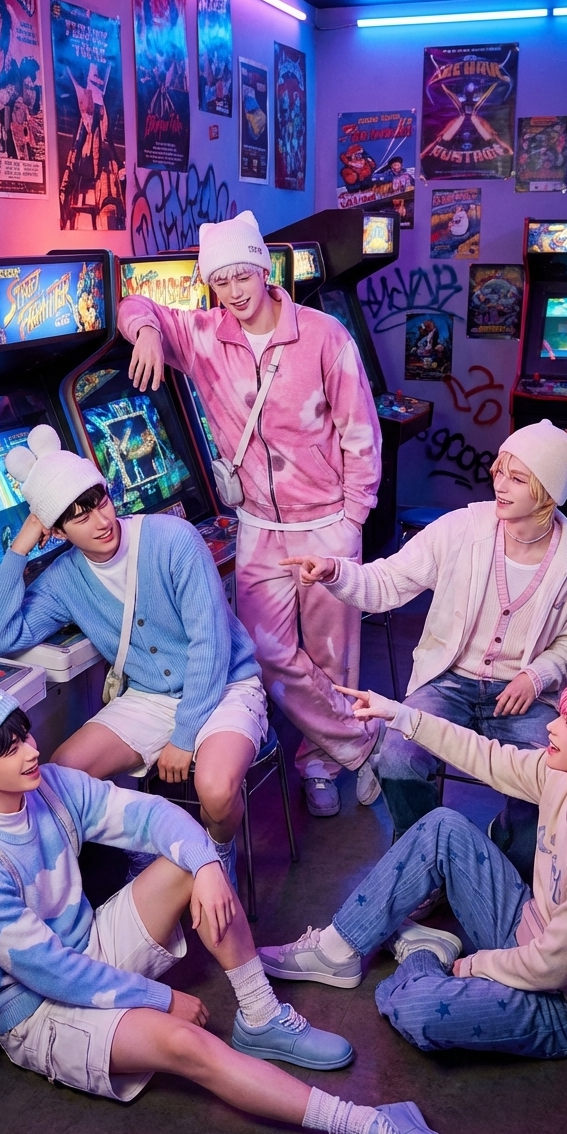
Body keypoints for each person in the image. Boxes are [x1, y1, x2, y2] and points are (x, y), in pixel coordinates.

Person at [0, 682, 446, 1134]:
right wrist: (161, 999)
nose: (31, 751)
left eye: (25, 735)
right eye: (10, 750)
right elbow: (54, 975)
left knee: (189, 863)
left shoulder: (49, 786)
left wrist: (208, 865)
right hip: (37, 1009)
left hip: (86, 947)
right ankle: (368, 1125)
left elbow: (153, 816)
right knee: (188, 1046)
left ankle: (260, 1015)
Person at [118, 210, 384, 819]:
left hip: (327, 523)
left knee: (331, 657)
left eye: (243, 275)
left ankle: (319, 765)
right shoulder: (204, 336)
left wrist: (352, 518)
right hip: (259, 529)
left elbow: (360, 433)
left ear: (264, 270)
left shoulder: (323, 335)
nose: (235, 291)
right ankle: (361, 746)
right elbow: (133, 303)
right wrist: (149, 333)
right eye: (221, 281)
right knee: (266, 654)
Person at [258, 667, 567, 1060]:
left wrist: (472, 965)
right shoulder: (566, 776)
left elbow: (550, 970)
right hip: (530, 928)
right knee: (442, 826)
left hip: (565, 1003)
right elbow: (487, 757)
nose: (552, 727)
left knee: (414, 1010)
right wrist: (403, 716)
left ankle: (426, 955)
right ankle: (337, 949)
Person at [282, 420, 567, 878]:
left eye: (516, 478)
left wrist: (536, 676)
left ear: (548, 492)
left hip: (522, 695)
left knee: (551, 776)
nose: (500, 485)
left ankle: (508, 860)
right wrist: (335, 571)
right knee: (397, 757)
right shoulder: (461, 529)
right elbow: (387, 581)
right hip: (448, 680)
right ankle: (422, 862)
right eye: (499, 471)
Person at [0, 425, 263, 887]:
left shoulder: (173, 538)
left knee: (215, 790)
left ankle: (216, 856)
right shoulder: (65, 578)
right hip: (150, 696)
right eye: (79, 517)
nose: (101, 521)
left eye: (100, 502)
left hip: (225, 684)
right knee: (60, 777)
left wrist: (185, 735)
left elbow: (211, 644)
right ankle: (146, 853)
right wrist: (22, 542)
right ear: (57, 530)